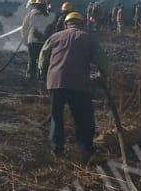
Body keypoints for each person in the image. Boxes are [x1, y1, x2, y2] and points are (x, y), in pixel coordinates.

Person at [38, 11, 109, 162]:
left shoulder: (55, 36)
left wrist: (44, 76)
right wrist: (103, 75)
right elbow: (102, 60)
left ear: (65, 24)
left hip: (55, 83)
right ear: (82, 24)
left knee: (56, 118)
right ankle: (85, 151)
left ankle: (57, 151)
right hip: (78, 84)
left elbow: (43, 57)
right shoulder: (88, 38)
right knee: (83, 118)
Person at [21, 0, 53, 81]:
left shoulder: (30, 14)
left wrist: (25, 40)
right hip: (44, 42)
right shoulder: (47, 15)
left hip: (32, 41)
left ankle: (31, 76)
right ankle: (42, 76)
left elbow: (24, 28)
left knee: (32, 59)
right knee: (42, 59)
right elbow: (51, 29)